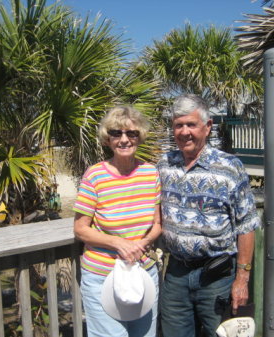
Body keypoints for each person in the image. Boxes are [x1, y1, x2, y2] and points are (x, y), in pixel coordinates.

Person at [157, 94, 261, 337]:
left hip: (217, 277)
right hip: (176, 275)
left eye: (191, 124)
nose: (184, 132)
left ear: (208, 127)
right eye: (178, 125)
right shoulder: (164, 165)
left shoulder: (229, 166)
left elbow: (246, 225)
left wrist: (242, 280)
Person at [73, 106, 162, 337]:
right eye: (116, 133)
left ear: (139, 137)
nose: (124, 139)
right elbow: (81, 229)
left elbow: (157, 224)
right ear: (107, 139)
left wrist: (140, 244)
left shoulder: (151, 173)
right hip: (103, 275)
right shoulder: (95, 175)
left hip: (143, 271)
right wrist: (119, 243)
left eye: (131, 134)